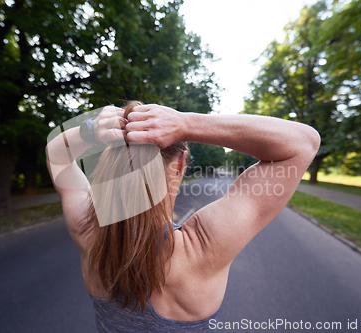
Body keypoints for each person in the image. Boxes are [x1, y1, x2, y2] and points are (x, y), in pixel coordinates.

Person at [46, 101, 320, 332]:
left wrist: (91, 130)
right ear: (179, 164)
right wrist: (186, 123)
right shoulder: (201, 249)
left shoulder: (88, 233)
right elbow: (303, 143)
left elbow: (56, 156)